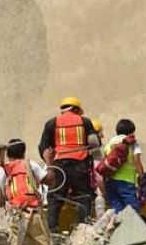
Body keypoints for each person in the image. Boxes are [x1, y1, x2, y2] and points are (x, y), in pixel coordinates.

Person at [38, 97, 101, 232]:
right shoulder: (84, 121)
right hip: (80, 165)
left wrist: (50, 164)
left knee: (55, 197)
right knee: (84, 196)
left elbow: (42, 147)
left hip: (59, 165)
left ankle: (53, 229)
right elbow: (95, 142)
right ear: (76, 109)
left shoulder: (52, 123)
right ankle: (82, 229)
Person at [103, 119, 144, 213]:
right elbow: (136, 160)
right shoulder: (131, 143)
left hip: (111, 183)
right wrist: (142, 177)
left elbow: (106, 164)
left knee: (118, 213)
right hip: (126, 182)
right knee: (133, 213)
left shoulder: (109, 144)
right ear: (131, 131)